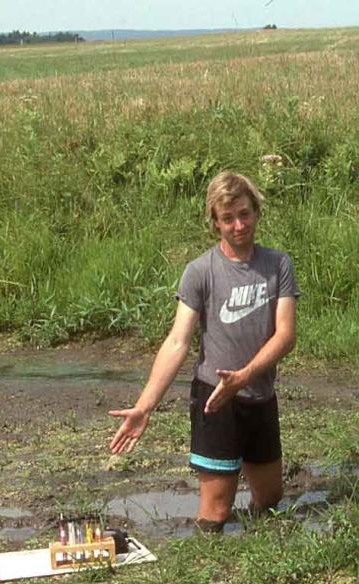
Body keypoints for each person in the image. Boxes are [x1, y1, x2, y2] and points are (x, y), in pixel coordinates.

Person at [108, 171, 300, 532]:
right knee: (216, 511)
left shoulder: (278, 264)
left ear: (256, 212)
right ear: (215, 222)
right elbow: (177, 341)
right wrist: (145, 406)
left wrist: (243, 377)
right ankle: (205, 568)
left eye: (244, 214)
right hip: (216, 400)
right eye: (228, 218)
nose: (238, 225)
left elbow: (286, 335)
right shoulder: (199, 272)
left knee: (271, 498)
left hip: (260, 396)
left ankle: (256, 550)